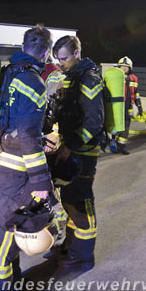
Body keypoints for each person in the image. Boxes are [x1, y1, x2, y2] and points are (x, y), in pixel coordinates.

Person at [0, 25, 53, 291]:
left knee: (4, 218)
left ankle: (6, 282)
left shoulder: (8, 71)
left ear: (22, 45)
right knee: (9, 229)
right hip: (16, 166)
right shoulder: (33, 81)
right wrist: (40, 180)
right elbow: (27, 134)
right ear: (47, 51)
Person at [51, 35, 104, 274]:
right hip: (71, 148)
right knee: (69, 200)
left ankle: (83, 256)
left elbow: (94, 122)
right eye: (57, 59)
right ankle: (71, 246)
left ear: (76, 53)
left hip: (83, 152)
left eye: (64, 58)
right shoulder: (72, 76)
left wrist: (69, 146)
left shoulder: (89, 78)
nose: (60, 63)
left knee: (82, 202)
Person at [110, 56, 143, 155]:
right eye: (122, 66)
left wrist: (139, 106)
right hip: (117, 107)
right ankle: (113, 145)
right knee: (116, 128)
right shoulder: (115, 77)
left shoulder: (134, 79)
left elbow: (136, 93)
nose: (124, 68)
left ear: (130, 68)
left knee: (126, 128)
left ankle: (122, 146)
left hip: (128, 107)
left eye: (126, 67)